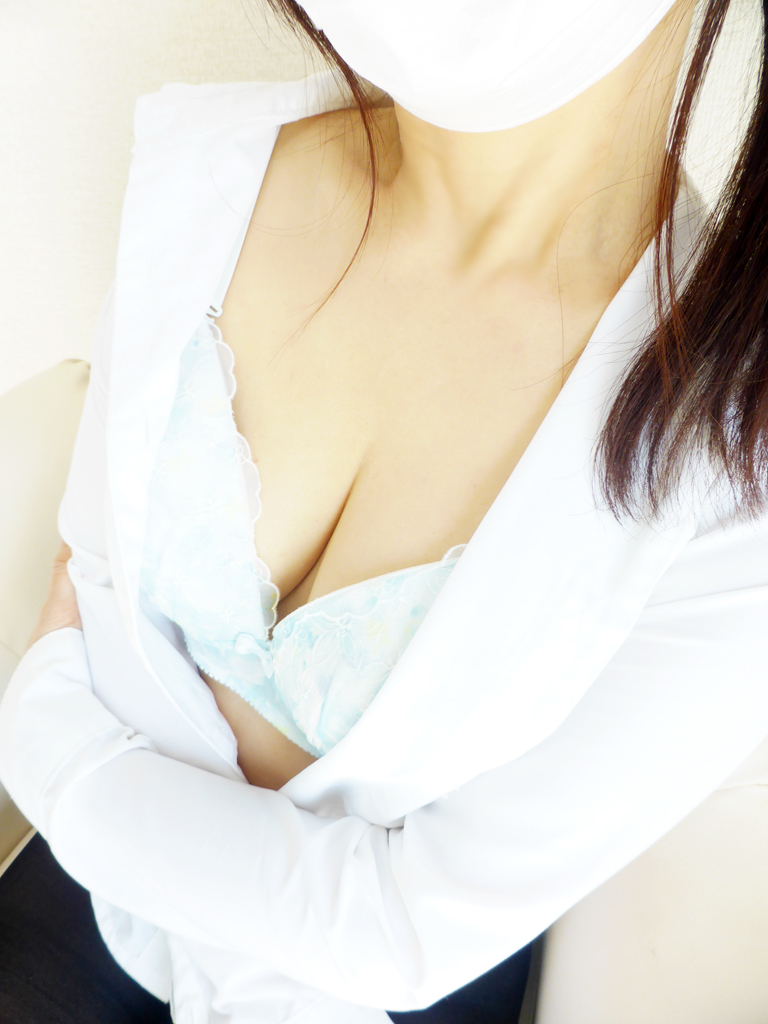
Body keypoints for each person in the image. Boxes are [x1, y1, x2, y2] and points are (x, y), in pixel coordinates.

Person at [2, 0, 768, 1021]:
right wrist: (71, 772)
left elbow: (406, 932)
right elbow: (92, 594)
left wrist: (67, 766)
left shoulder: (730, 469)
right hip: (94, 905)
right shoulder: (219, 164)